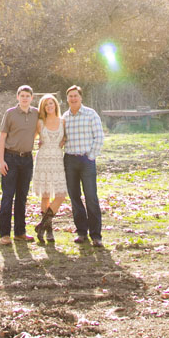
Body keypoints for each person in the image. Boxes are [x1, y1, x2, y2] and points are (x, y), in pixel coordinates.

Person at [62, 84, 105, 246]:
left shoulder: (90, 114)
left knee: (91, 197)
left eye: (75, 96)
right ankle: (81, 232)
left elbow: (99, 137)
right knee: (74, 197)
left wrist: (91, 156)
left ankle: (96, 235)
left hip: (87, 160)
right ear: (67, 99)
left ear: (81, 98)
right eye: (70, 96)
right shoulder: (64, 117)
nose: (73, 99)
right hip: (70, 160)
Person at [0, 85, 39, 245]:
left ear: (31, 98)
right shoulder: (10, 114)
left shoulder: (35, 113)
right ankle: (4, 234)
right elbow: (2, 138)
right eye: (22, 96)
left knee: (22, 197)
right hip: (10, 159)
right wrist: (1, 161)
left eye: (27, 96)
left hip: (27, 160)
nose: (24, 98)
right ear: (17, 97)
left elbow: (37, 130)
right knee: (8, 196)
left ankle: (20, 232)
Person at [31, 93, 67, 243]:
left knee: (60, 194)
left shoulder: (63, 121)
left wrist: (64, 139)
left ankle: (41, 225)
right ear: (43, 107)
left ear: (55, 105)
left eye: (51, 103)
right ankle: (48, 231)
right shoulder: (40, 122)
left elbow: (67, 136)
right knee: (45, 195)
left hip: (58, 159)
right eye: (46, 104)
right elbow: (29, 138)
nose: (49, 106)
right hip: (43, 159)